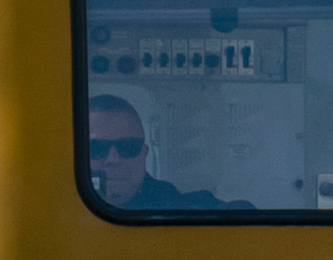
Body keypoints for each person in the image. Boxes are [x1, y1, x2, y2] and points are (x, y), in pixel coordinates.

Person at [85, 91, 232, 212]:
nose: (113, 159)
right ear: (77, 155)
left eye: (128, 146)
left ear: (143, 154)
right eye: (97, 147)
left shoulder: (171, 204)